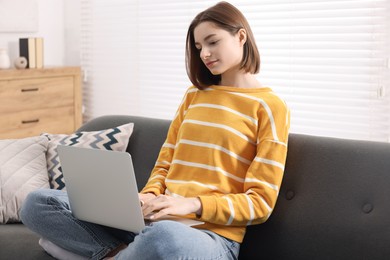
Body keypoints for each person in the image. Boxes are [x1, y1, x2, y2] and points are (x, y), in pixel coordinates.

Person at [20, 2, 290, 259]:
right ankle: (120, 254)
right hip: (153, 222)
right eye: (198, 47)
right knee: (37, 203)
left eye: (213, 41)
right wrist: (148, 196)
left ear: (241, 37)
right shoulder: (194, 96)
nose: (204, 53)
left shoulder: (270, 107)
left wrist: (192, 204)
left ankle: (105, 252)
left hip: (210, 237)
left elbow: (260, 203)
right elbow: (165, 162)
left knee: (165, 239)